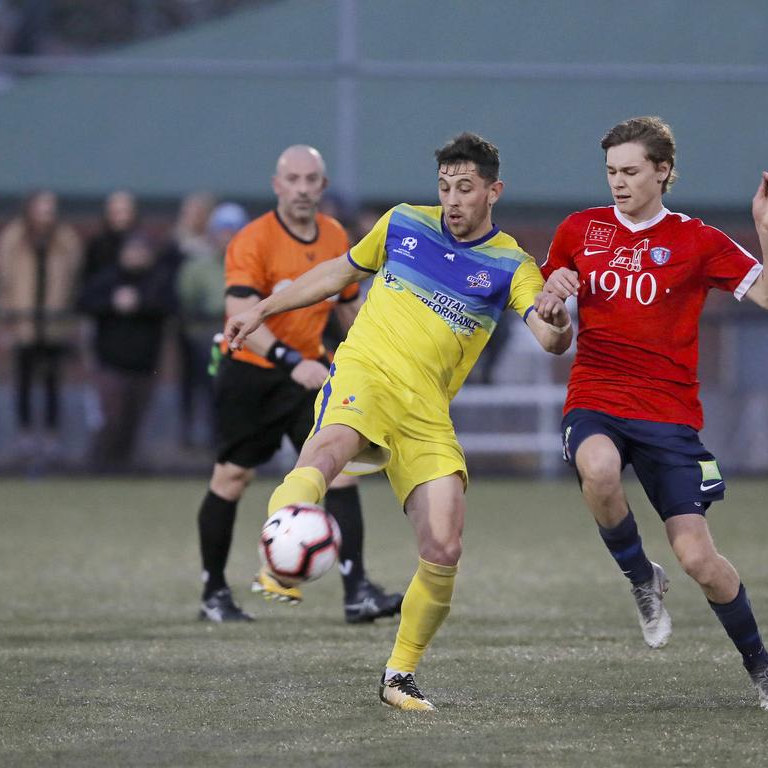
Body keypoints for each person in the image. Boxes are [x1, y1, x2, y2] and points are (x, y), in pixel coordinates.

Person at [225, 133, 573, 710]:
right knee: (329, 448)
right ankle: (280, 553)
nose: (453, 200)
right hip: (365, 373)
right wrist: (262, 307)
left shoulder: (512, 263)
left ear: (494, 190)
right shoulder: (403, 222)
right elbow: (339, 272)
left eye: (466, 188)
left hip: (426, 410)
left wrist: (557, 319)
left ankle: (399, 677)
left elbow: (549, 335)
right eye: (445, 187)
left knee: (445, 545)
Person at [538, 116, 768, 711]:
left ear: (662, 171)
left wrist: (766, 230)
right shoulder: (579, 229)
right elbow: (556, 301)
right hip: (596, 394)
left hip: (668, 414)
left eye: (630, 171)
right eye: (611, 173)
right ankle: (640, 577)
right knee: (597, 471)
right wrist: (553, 303)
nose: (618, 183)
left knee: (701, 561)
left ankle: (762, 666)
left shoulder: (696, 241)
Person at [196, 146, 402, 625]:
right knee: (232, 478)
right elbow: (239, 314)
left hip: (310, 373)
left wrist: (382, 348)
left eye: (312, 180)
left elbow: (349, 306)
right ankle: (213, 593)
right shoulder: (252, 239)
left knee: (343, 469)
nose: (304, 188)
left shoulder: (335, 235)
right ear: (277, 185)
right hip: (250, 374)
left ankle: (357, 593)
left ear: (323, 187)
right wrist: (291, 361)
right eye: (294, 179)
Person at [0, 190, 82, 460]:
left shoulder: (66, 240)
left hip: (54, 323)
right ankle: (24, 436)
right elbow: (4, 282)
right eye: (42, 208)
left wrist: (69, 321)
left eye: (51, 209)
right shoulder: (13, 239)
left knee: (53, 380)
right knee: (23, 380)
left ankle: (52, 437)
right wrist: (5, 322)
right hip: (23, 321)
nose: (47, 214)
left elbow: (73, 280)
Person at [78, 233, 175, 472]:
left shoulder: (157, 280)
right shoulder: (107, 279)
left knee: (134, 420)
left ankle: (125, 467)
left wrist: (140, 303)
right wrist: (113, 303)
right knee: (112, 418)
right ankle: (99, 465)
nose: (136, 257)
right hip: (110, 363)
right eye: (132, 251)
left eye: (141, 252)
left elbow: (170, 306)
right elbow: (83, 302)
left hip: (144, 364)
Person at [176, 202, 246, 449]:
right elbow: (186, 302)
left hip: (244, 337)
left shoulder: (254, 266)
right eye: (223, 230)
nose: (227, 237)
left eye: (233, 230)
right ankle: (204, 438)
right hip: (207, 335)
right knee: (210, 384)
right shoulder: (198, 267)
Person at [84, 190, 137, 279]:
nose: (120, 217)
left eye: (123, 212)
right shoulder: (97, 246)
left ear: (133, 213)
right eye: (115, 212)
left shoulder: (142, 244)